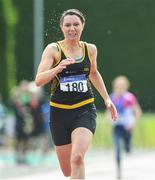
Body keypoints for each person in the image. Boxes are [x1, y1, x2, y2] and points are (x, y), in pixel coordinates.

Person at [35, 9, 117, 179]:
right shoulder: (54, 50)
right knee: (67, 171)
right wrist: (57, 68)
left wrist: (107, 99)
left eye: (76, 24)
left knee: (78, 157)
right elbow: (38, 80)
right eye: (68, 25)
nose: (72, 28)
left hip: (84, 109)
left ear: (82, 26)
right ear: (62, 28)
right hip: (59, 112)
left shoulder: (90, 49)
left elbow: (93, 73)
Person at [110, 75, 142, 179]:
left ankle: (128, 146)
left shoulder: (130, 97)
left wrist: (134, 123)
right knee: (118, 147)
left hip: (127, 127)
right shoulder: (112, 97)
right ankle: (119, 171)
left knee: (127, 149)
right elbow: (108, 112)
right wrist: (109, 119)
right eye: (118, 86)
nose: (120, 88)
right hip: (117, 127)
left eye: (122, 86)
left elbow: (137, 111)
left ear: (126, 87)